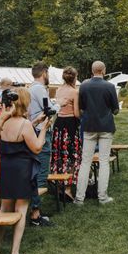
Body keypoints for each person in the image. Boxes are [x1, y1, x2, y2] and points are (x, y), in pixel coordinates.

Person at [0, 87, 49, 254]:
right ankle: (14, 252)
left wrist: (35, 122)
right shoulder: (24, 124)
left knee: (3, 209)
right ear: (24, 103)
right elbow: (37, 147)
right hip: (23, 169)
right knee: (21, 211)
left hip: (7, 169)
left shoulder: (5, 121)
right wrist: (44, 129)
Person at [74, 61, 119, 205]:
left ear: (92, 70)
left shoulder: (84, 86)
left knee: (85, 161)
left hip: (88, 126)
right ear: (104, 70)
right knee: (104, 161)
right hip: (106, 126)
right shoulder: (110, 86)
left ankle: (79, 198)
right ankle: (102, 197)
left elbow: (81, 108)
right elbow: (116, 110)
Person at [27, 61, 59, 226]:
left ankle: (35, 210)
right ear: (44, 73)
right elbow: (50, 109)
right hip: (41, 131)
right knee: (41, 170)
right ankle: (35, 213)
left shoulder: (30, 89)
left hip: (34, 130)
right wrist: (59, 104)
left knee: (36, 168)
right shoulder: (39, 89)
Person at [51, 66, 81, 199]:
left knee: (59, 155)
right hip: (70, 125)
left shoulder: (58, 90)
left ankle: (59, 186)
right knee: (71, 154)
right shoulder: (75, 92)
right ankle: (68, 188)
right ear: (74, 78)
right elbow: (76, 113)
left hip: (59, 124)